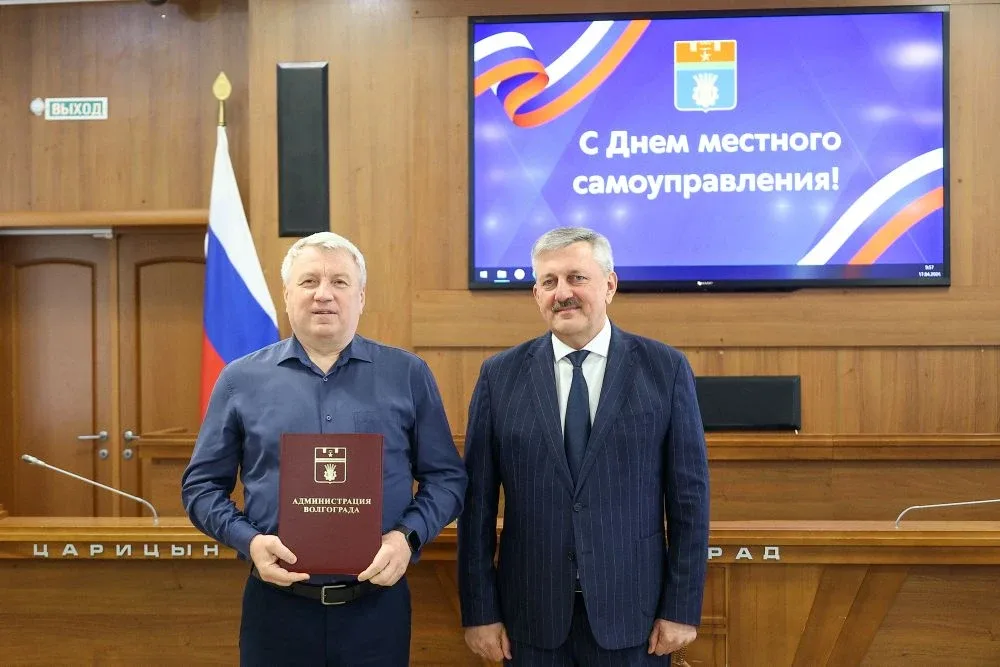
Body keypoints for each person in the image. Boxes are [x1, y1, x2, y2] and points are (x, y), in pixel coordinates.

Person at [181, 231, 467, 666]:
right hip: (276, 610)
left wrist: (406, 538)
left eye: (339, 282)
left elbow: (446, 479)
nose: (323, 294)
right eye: (309, 281)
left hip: (377, 610)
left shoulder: (408, 374)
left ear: (361, 296)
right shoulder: (240, 380)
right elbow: (201, 488)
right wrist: (249, 541)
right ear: (287, 294)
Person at [457, 227, 710, 665]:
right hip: (528, 617)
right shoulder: (499, 377)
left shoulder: (664, 369)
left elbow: (689, 498)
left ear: (609, 285)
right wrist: (479, 612)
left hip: (634, 616)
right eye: (549, 281)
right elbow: (476, 504)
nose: (563, 293)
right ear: (537, 294)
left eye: (577, 277)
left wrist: (682, 607)